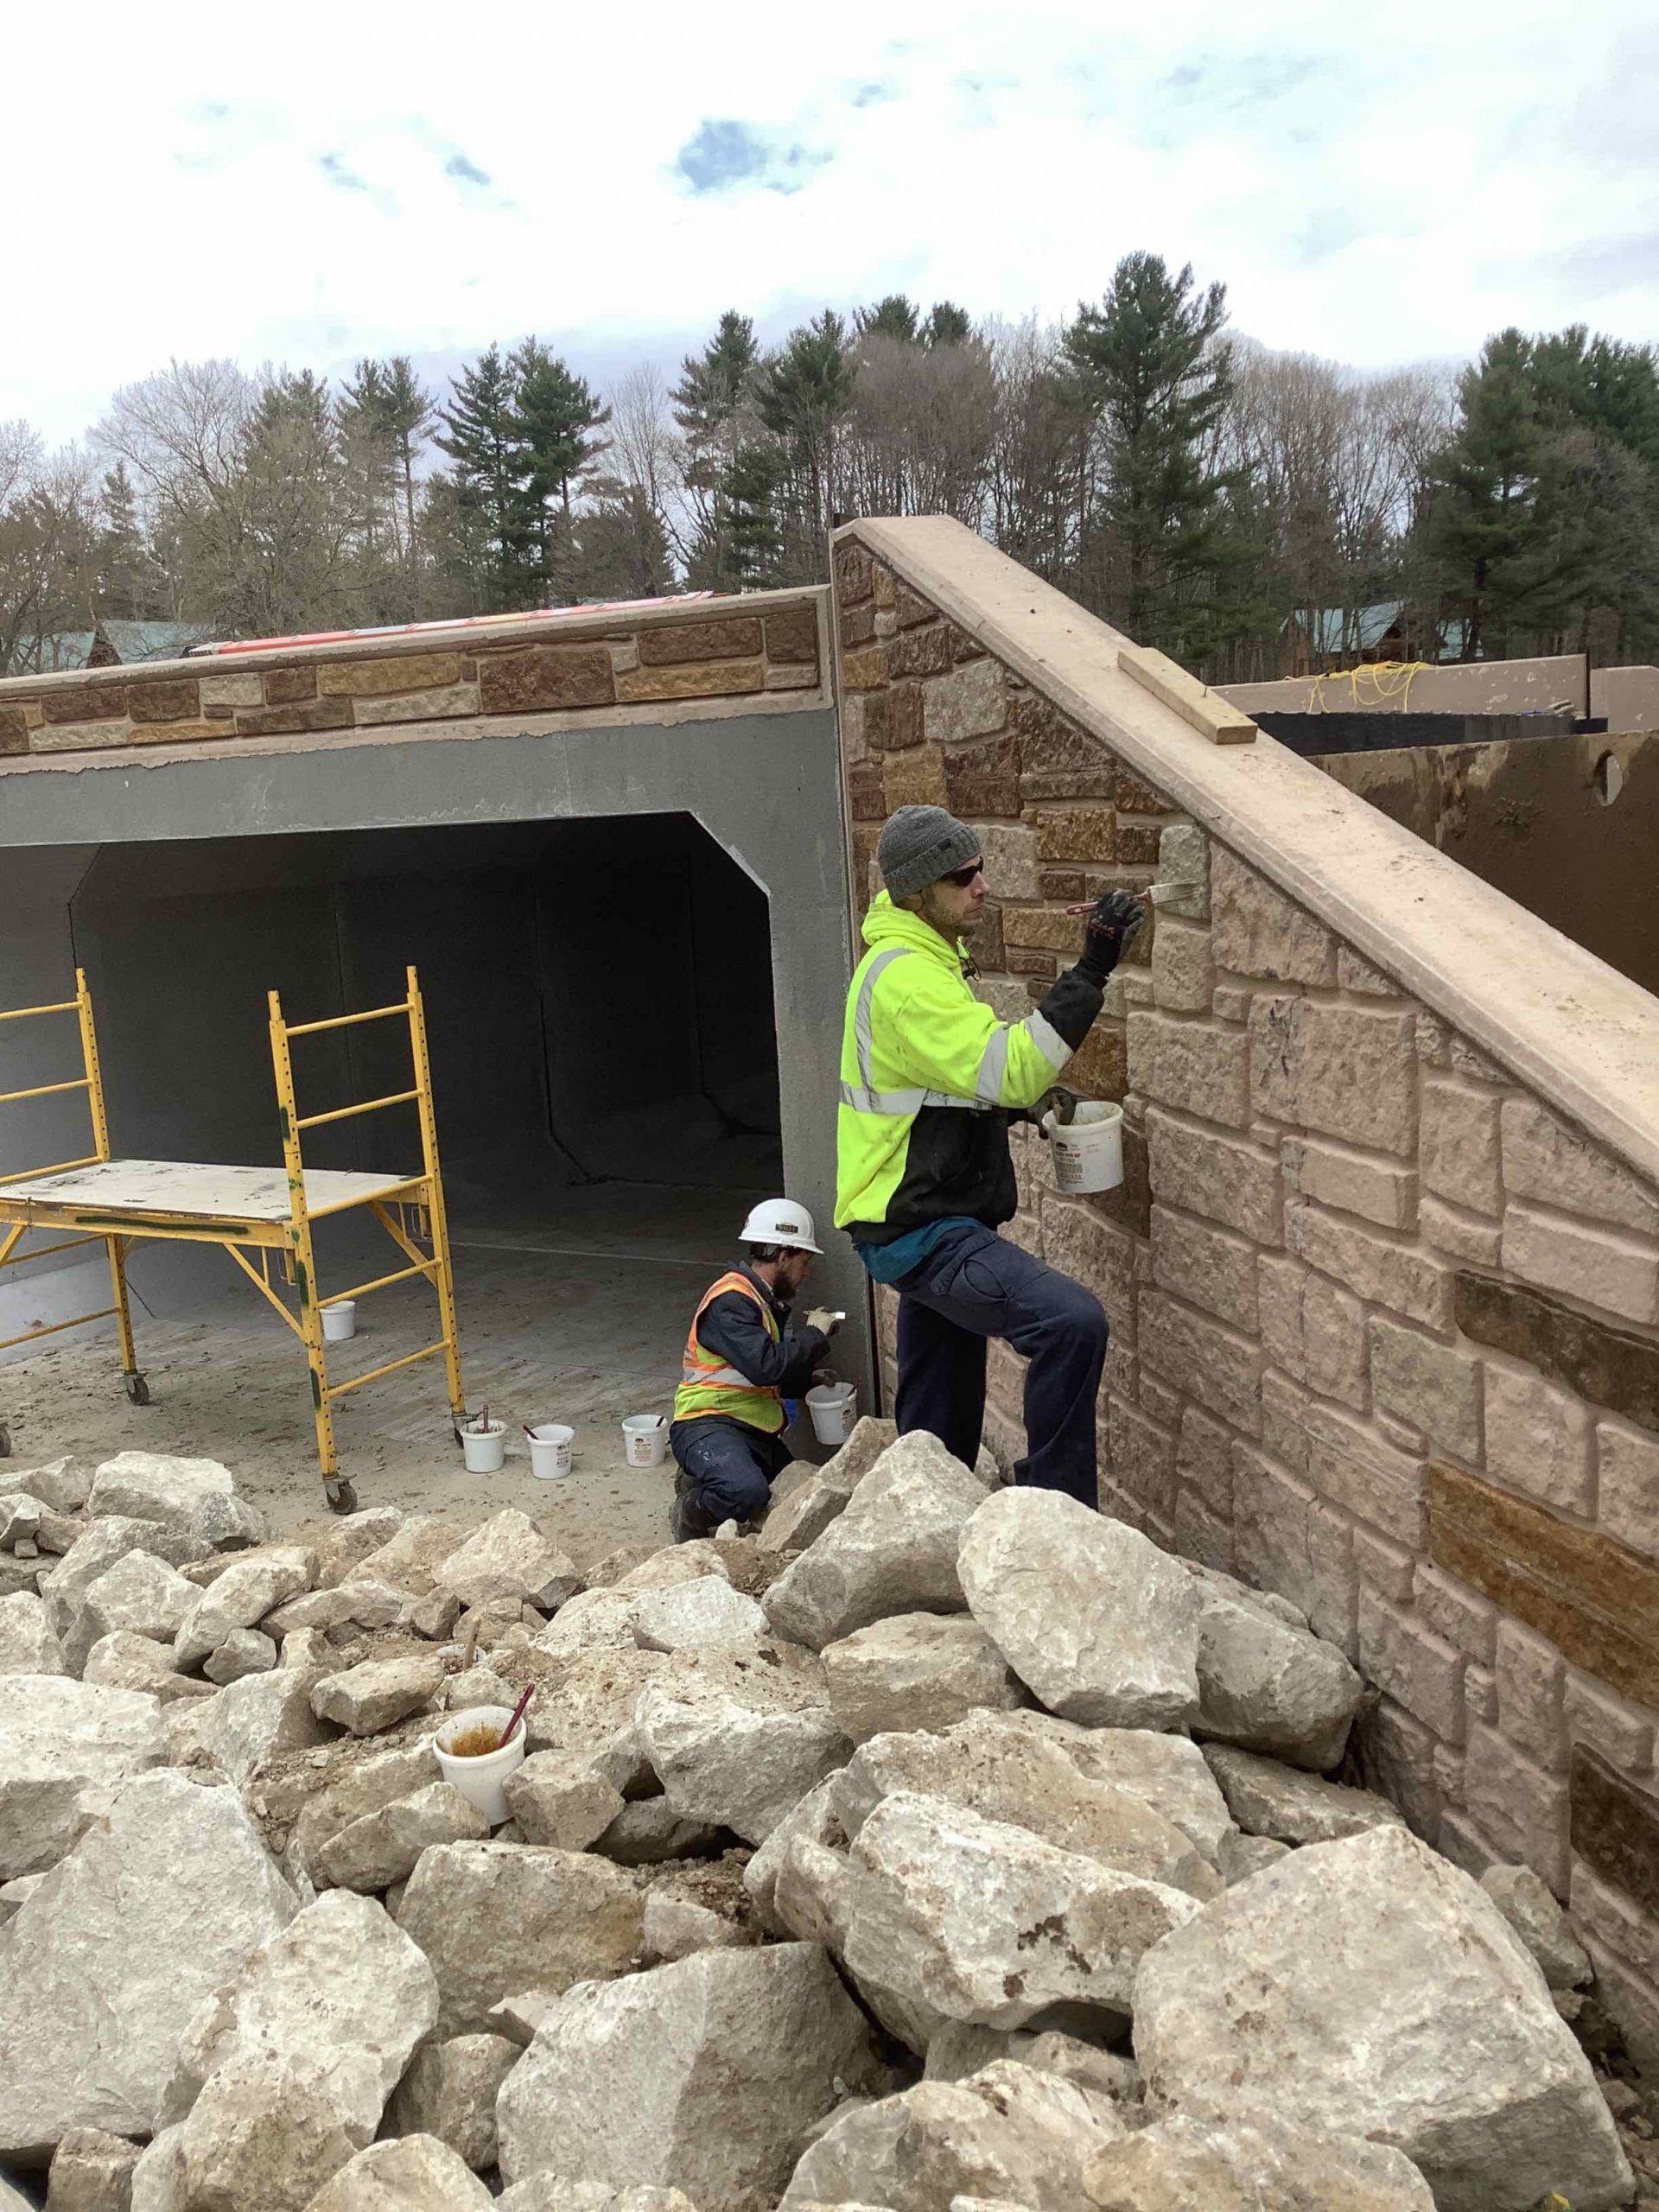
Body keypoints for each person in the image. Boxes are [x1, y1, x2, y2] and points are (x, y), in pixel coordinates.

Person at [835, 803, 1144, 1507]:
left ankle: (916, 1522)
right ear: (918, 893)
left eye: (979, 868)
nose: (982, 886)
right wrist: (1093, 967)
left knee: (936, 1434)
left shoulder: (921, 958)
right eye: (962, 877)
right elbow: (1009, 1068)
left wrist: (1018, 1106)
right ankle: (1053, 1513)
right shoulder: (909, 980)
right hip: (920, 1227)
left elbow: (941, 1080)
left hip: (911, 1211)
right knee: (1070, 1323)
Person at [669, 1198, 842, 1541]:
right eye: (804, 1262)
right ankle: (687, 1511)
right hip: (707, 1422)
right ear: (783, 1256)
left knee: (797, 1497)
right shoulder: (731, 1301)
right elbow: (765, 1366)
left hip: (750, 1427)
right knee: (745, 1491)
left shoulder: (759, 1300)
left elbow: (756, 1373)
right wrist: (815, 1335)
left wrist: (807, 1382)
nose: (806, 1273)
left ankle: (706, 1475)